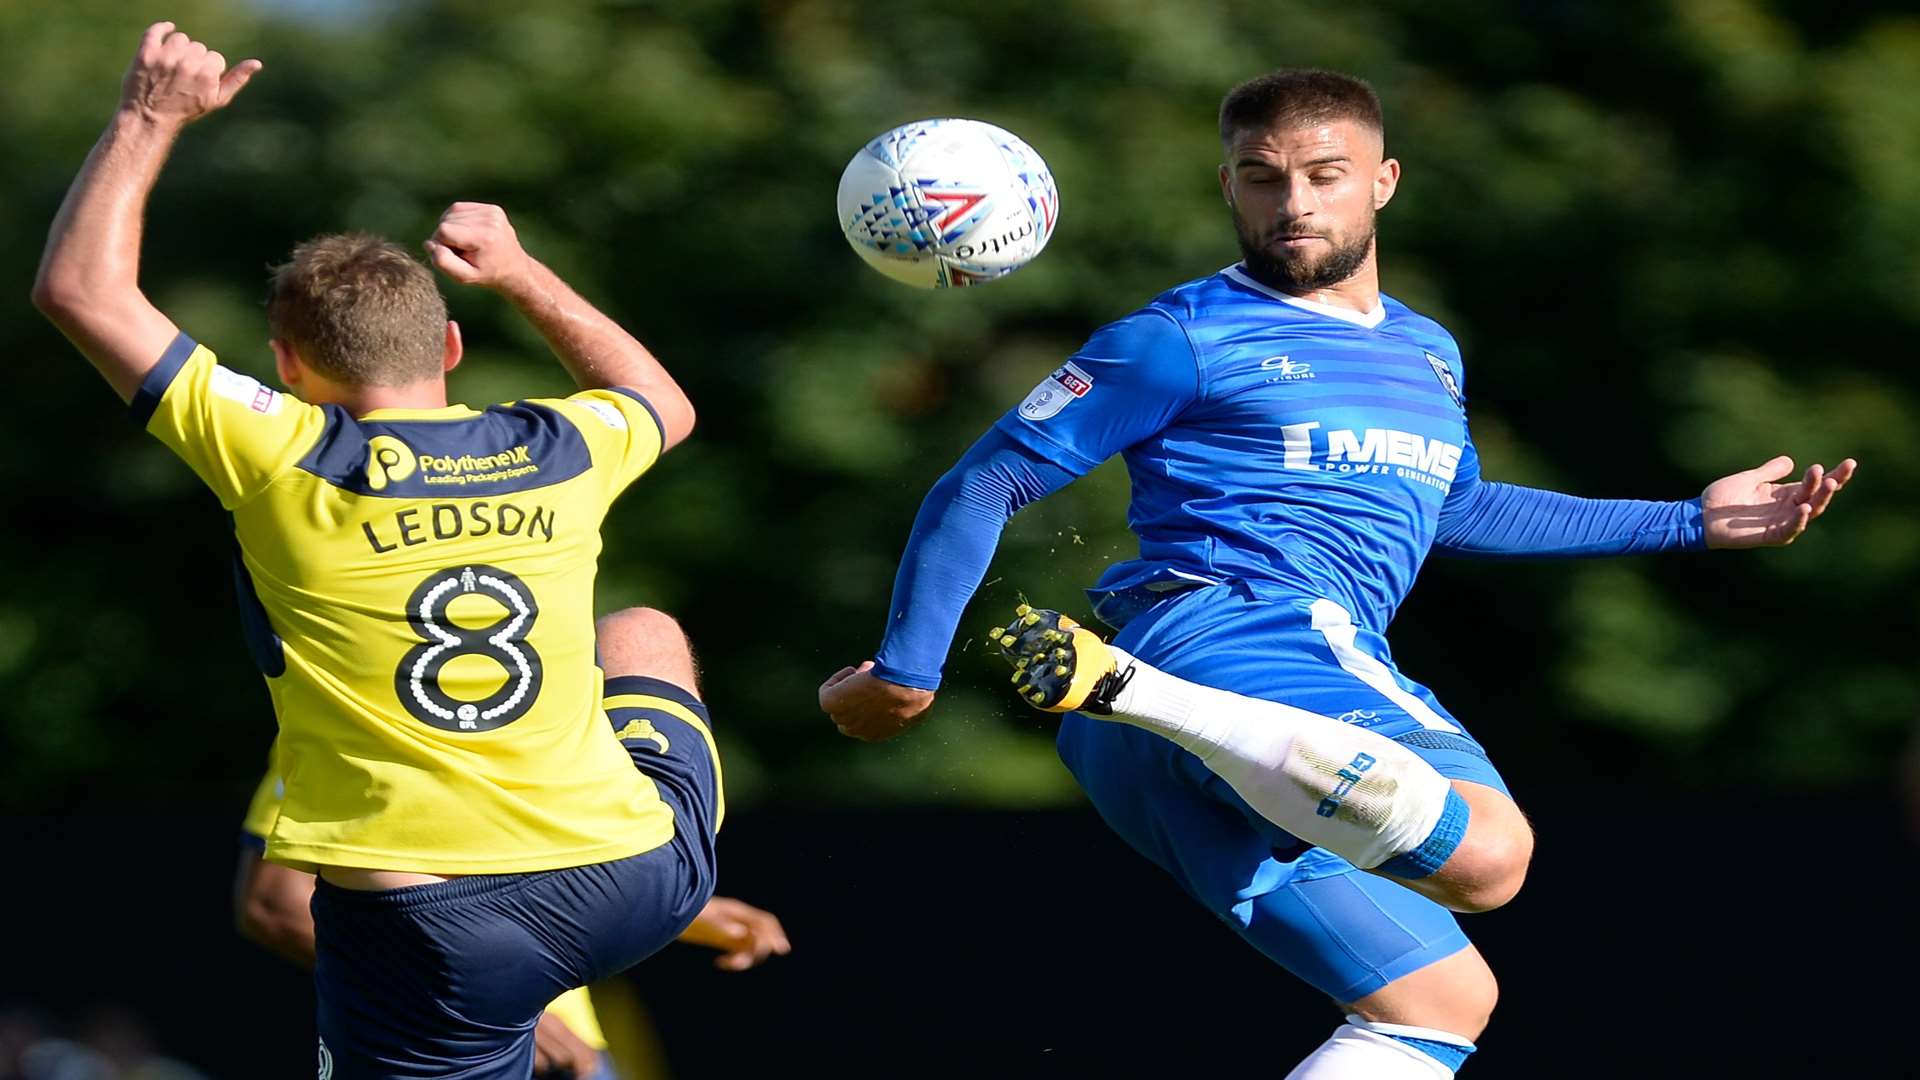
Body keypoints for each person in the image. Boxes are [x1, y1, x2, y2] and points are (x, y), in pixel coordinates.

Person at [819, 69, 1854, 1078]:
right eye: (1263, 177)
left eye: (1324, 173)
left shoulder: (1428, 352)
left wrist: (1689, 523)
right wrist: (909, 666)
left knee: (1438, 1006)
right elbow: (985, 480)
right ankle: (1138, 691)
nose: (1294, 202)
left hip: (1183, 731)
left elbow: (1459, 509)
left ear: (1384, 182)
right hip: (1234, 637)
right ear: (1228, 187)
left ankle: (1136, 697)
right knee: (1489, 857)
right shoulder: (1180, 336)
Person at [35, 24, 721, 1077]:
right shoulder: (558, 444)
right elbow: (660, 404)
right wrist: (524, 275)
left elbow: (81, 294)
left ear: (288, 364)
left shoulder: (281, 450)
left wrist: (147, 116)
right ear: (448, 347)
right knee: (641, 631)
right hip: (634, 883)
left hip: (432, 925)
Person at [232, 755, 792, 1080]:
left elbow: (532, 866)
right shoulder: (359, 710)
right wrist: (486, 1017)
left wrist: (688, 912)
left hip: (565, 1051)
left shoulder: (549, 700)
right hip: (465, 1053)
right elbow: (274, 903)